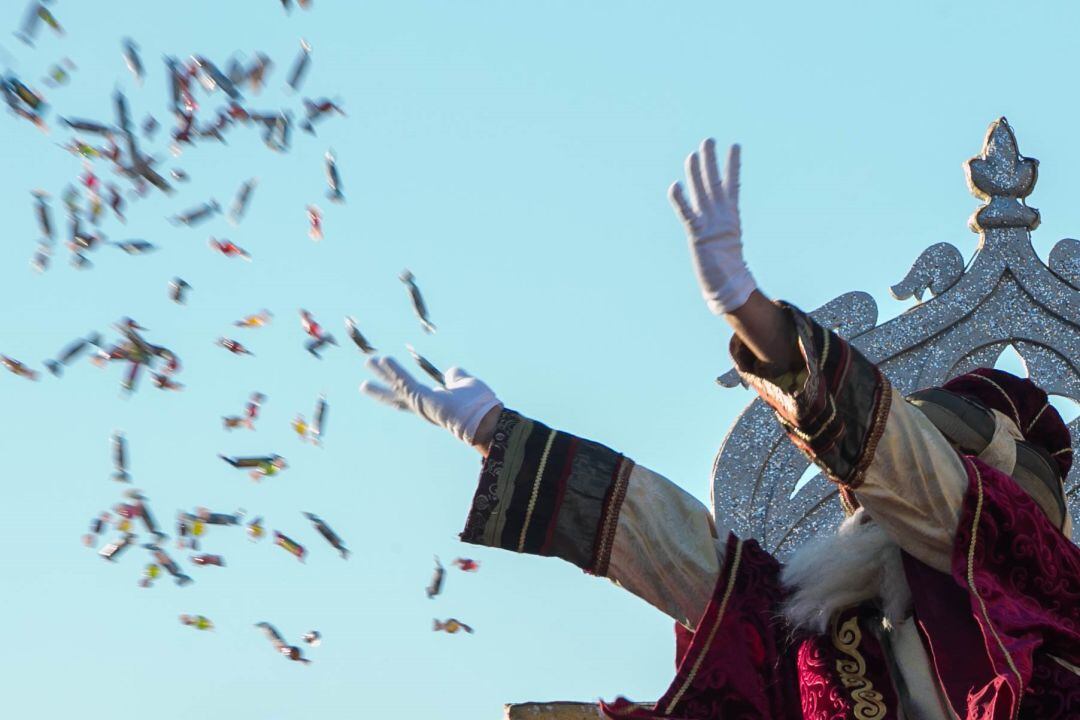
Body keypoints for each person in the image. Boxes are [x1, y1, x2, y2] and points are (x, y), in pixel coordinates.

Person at [360, 139, 1080, 719]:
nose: (884, 504)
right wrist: (492, 431)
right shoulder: (824, 641)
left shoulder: (1037, 590)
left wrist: (755, 317)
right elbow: (676, 553)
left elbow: (920, 483)